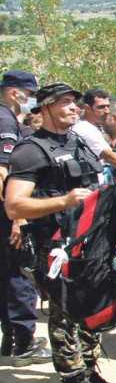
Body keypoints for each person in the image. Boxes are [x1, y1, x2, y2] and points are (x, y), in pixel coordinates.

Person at [4, 82, 115, 383]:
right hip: (52, 246)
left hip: (86, 242)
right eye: (65, 102)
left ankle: (91, 373)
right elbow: (14, 205)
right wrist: (63, 202)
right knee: (65, 312)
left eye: (75, 103)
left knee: (90, 305)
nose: (73, 108)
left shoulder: (78, 141)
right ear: (47, 107)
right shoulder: (30, 150)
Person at [0, 70, 48, 364]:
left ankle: (10, 338)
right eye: (30, 95)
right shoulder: (5, 120)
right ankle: (25, 343)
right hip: (8, 214)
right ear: (15, 93)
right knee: (20, 274)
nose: (31, 101)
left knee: (6, 274)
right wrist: (17, 215)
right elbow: (3, 170)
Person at [70, 87, 116, 174]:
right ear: (87, 108)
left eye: (108, 106)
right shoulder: (86, 129)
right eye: (101, 107)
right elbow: (110, 157)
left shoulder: (95, 128)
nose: (106, 111)